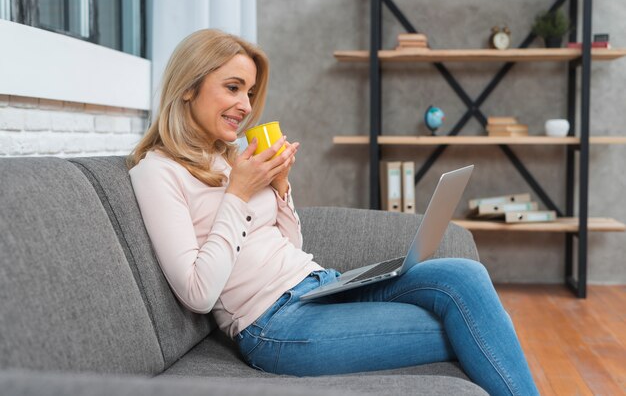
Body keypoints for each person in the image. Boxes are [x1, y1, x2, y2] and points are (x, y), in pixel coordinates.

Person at [127, 29, 539, 396]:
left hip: (323, 286)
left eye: (249, 92)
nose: (245, 105)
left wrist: (280, 188)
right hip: (275, 326)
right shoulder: (158, 171)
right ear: (187, 87)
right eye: (233, 87)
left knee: (465, 275)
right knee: (481, 324)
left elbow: (289, 247)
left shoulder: (230, 157)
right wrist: (238, 193)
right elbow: (198, 294)